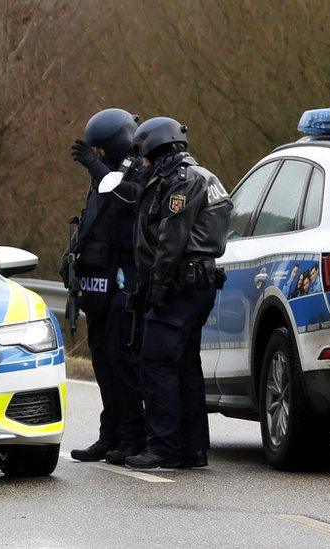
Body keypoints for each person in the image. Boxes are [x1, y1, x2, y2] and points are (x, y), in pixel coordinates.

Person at [119, 116, 232, 470]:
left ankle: (164, 446)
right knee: (184, 365)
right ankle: (192, 447)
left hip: (179, 285)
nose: (143, 162)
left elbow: (171, 240)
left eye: (145, 155)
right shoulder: (201, 176)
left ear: (156, 147)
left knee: (156, 362)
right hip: (196, 284)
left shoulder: (182, 182)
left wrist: (156, 290)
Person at [63, 108, 147, 463]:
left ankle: (132, 437)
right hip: (97, 282)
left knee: (120, 361)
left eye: (99, 151)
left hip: (123, 279)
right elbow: (92, 221)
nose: (94, 158)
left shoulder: (138, 170)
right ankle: (109, 434)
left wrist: (98, 169)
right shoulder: (101, 177)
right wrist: (71, 257)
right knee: (101, 360)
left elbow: (129, 199)